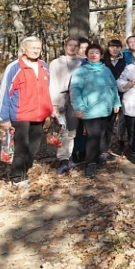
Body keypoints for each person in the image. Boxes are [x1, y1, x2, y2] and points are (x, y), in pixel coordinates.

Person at [0, 36, 54, 186]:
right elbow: (4, 93)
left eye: (38, 48)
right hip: (20, 113)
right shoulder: (14, 67)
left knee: (34, 146)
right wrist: (3, 117)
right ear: (24, 49)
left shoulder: (44, 66)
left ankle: (25, 168)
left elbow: (47, 90)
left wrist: (50, 109)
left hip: (39, 114)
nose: (36, 50)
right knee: (21, 146)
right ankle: (18, 177)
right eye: (32, 47)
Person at [69, 44, 122, 178]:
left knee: (103, 134)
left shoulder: (106, 70)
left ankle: (100, 158)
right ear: (86, 55)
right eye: (91, 53)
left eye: (96, 53)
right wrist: (79, 107)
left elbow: (113, 87)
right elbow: (75, 90)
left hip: (106, 109)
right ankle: (90, 164)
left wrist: (116, 102)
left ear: (101, 55)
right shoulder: (81, 71)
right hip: (89, 110)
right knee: (93, 137)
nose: (94, 55)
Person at [49, 37, 82, 176]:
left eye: (75, 46)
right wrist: (54, 104)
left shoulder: (82, 62)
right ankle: (63, 159)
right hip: (60, 98)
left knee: (72, 131)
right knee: (62, 130)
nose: (72, 48)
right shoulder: (56, 63)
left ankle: (69, 157)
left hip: (75, 100)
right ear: (65, 46)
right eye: (70, 45)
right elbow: (52, 84)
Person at [103, 39, 128, 158]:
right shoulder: (103, 61)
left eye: (117, 47)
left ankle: (121, 143)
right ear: (108, 48)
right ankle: (103, 150)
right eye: (112, 47)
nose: (115, 49)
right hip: (106, 96)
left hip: (123, 94)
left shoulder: (124, 61)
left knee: (122, 122)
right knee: (108, 124)